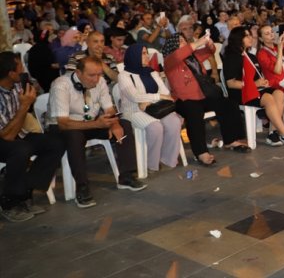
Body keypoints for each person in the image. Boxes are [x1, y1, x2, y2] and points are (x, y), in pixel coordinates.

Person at [47, 56, 146, 208]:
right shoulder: (61, 85)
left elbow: (109, 108)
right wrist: (97, 123)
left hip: (92, 122)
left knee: (124, 125)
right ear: (79, 73)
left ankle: (126, 176)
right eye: (91, 75)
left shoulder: (100, 82)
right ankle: (82, 187)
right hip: (65, 127)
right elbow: (63, 123)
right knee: (75, 136)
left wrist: (114, 123)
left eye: (99, 74)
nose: (96, 79)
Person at [165, 31, 248, 166]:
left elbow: (209, 51)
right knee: (194, 113)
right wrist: (198, 42)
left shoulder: (193, 57)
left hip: (203, 95)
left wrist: (209, 44)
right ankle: (201, 152)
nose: (184, 42)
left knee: (228, 104)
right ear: (172, 45)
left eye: (184, 40)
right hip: (184, 100)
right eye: (180, 41)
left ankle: (231, 140)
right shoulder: (170, 60)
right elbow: (180, 54)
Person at [0, 52, 65, 221]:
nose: (23, 70)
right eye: (20, 67)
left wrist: (27, 102)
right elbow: (6, 137)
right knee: (21, 149)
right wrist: (25, 106)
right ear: (11, 73)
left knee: (55, 142)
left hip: (16, 135)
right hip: (4, 139)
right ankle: (10, 202)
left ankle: (26, 192)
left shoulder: (16, 86)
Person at [116, 45, 184, 172]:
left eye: (146, 53)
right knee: (155, 127)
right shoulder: (124, 76)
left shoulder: (151, 72)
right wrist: (156, 96)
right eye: (143, 53)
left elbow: (166, 94)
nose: (147, 56)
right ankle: (152, 163)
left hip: (155, 108)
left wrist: (148, 100)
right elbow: (135, 96)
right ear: (134, 56)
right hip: (134, 111)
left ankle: (168, 159)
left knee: (174, 122)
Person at [234, 25, 284, 146]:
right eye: (266, 33)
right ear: (260, 39)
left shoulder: (277, 47)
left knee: (281, 94)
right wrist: (280, 50)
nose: (271, 35)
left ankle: (273, 132)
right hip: (276, 83)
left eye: (271, 32)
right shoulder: (261, 53)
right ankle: (282, 132)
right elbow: (277, 70)